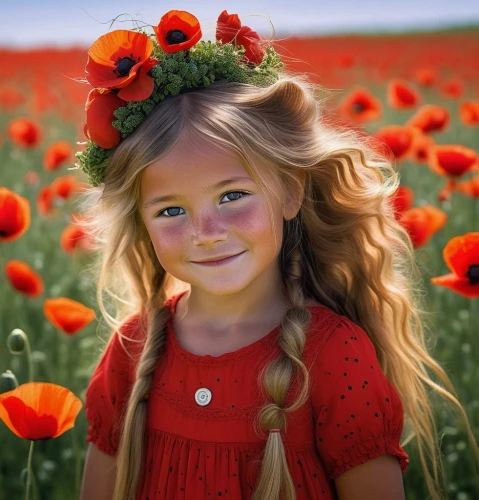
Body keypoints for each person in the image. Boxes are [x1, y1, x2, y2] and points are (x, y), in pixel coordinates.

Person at [77, 8, 479, 500]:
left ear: (289, 193)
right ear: (141, 221)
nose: (206, 233)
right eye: (170, 210)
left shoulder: (334, 358)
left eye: (231, 197)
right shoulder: (132, 351)